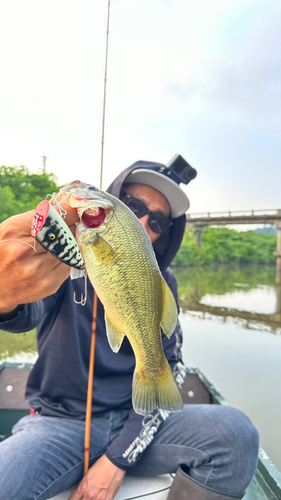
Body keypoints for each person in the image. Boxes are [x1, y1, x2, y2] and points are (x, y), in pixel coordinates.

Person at [0, 159, 259, 500]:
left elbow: (171, 366)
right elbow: (25, 316)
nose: (144, 221)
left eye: (160, 220)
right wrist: (6, 293)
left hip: (134, 421)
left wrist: (117, 459)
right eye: (134, 206)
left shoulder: (163, 281)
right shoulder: (62, 261)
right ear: (115, 200)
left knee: (236, 433)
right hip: (57, 423)